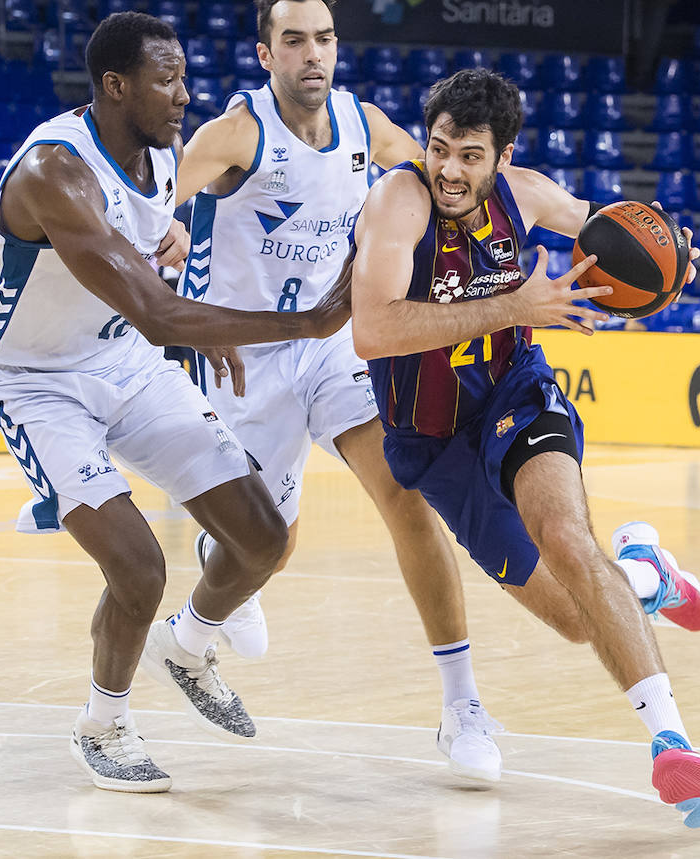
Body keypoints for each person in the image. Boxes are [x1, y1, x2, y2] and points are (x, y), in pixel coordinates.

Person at [0, 12, 349, 794]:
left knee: (263, 538)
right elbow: (158, 312)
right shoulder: (52, 173)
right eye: (167, 79)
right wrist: (306, 322)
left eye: (184, 76)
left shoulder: (163, 151)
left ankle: (191, 641)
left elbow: (148, 272)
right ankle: (103, 723)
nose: (184, 94)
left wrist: (179, 292)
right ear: (115, 86)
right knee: (138, 566)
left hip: (124, 359)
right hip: (33, 379)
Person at [349, 68, 700, 828]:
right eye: (440, 149)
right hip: (431, 442)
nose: (450, 170)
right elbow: (374, 330)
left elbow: (612, 228)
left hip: (514, 393)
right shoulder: (399, 202)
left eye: (469, 155)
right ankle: (644, 574)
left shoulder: (524, 193)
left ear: (503, 155)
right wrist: (514, 304)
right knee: (578, 617)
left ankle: (672, 744)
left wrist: (671, 256)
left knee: (564, 533)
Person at [155, 0, 500, 780]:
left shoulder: (365, 126)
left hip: (335, 344)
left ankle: (462, 704)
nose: (313, 54)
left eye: (324, 38)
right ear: (265, 52)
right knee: (269, 541)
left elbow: (436, 187)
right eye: (294, 40)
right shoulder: (235, 135)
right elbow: (152, 200)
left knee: (407, 492)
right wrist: (165, 231)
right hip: (248, 358)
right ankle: (202, 611)